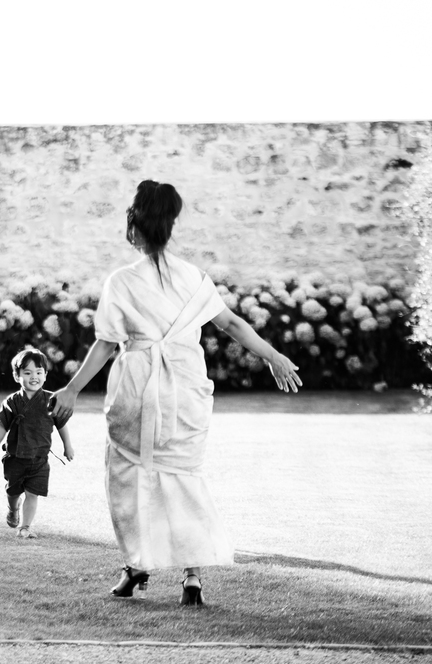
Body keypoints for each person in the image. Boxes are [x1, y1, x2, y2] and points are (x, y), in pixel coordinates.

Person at [51, 179, 301, 605]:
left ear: (134, 226)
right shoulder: (194, 277)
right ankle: (192, 577)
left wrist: (72, 390)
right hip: (184, 389)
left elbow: (106, 344)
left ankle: (136, 567)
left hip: (139, 387)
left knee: (129, 477)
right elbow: (232, 324)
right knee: (184, 478)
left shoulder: (122, 281)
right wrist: (274, 355)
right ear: (171, 225)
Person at [0, 347, 75, 539]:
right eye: (27, 373)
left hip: (39, 458)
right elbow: (2, 425)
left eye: (38, 372)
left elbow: (61, 424)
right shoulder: (12, 401)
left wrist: (67, 446)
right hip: (16, 457)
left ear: (45, 374)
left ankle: (25, 527)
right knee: (13, 492)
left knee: (32, 493)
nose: (33, 376)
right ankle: (12, 508)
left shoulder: (52, 400)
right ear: (17, 376)